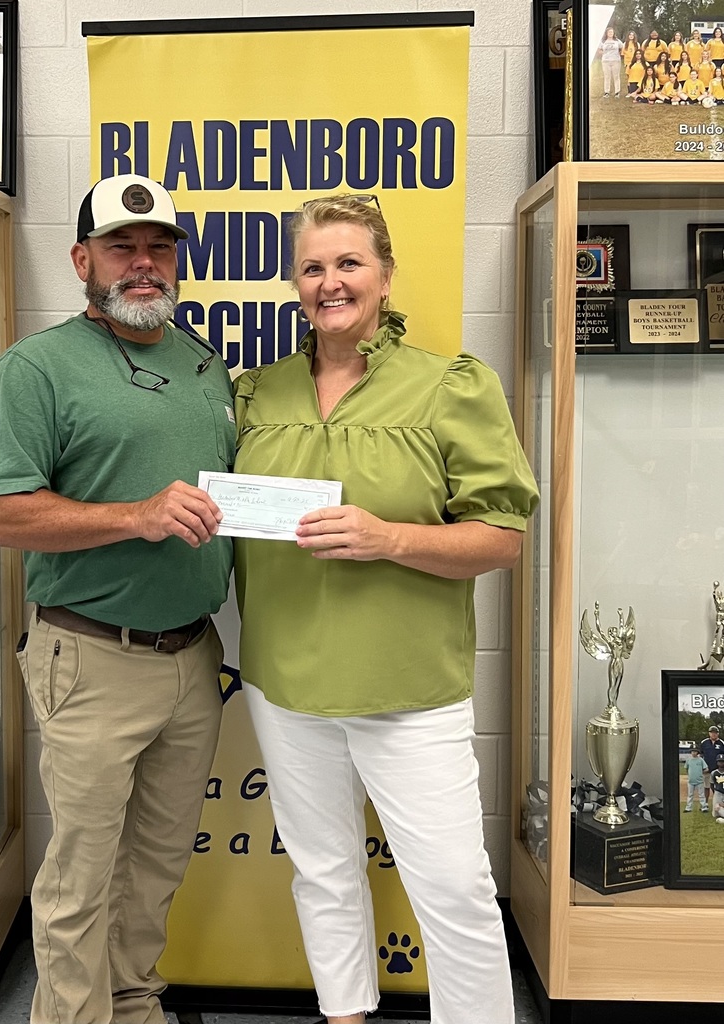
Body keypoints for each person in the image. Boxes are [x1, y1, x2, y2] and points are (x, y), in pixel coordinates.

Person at [233, 195, 539, 1024]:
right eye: (311, 267)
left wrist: (387, 538)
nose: (328, 283)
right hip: (283, 680)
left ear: (385, 274)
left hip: (409, 691)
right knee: (322, 870)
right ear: (293, 281)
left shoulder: (448, 386)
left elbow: (501, 539)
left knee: (452, 888)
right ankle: (345, 1015)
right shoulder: (255, 392)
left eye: (347, 264)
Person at [0, 174, 234, 1024]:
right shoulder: (35, 368)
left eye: (160, 247)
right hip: (89, 655)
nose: (144, 264)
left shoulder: (202, 361)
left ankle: (133, 1005)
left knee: (155, 864)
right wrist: (136, 515)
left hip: (191, 658)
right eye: (123, 246)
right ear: (83, 260)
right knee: (80, 876)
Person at [700, 725, 724, 805]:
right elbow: (701, 755)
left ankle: (717, 802)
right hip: (707, 769)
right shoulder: (704, 743)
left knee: (717, 787)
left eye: (715, 733)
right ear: (709, 733)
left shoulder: (721, 743)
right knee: (706, 786)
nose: (713, 734)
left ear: (718, 734)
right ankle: (705, 803)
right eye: (712, 732)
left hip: (718, 770)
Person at [598, 28, 624, 97]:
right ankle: (607, 92)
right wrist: (603, 53)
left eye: (612, 32)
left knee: (616, 76)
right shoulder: (603, 41)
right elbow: (599, 50)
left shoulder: (617, 41)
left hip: (616, 61)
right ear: (606, 33)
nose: (610, 33)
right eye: (609, 32)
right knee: (607, 76)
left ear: (613, 33)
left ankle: (617, 92)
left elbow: (622, 48)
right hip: (606, 61)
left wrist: (619, 53)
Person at [685, 746, 709, 811]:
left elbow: (706, 769)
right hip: (691, 781)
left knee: (701, 794)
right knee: (690, 795)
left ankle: (704, 807)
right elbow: (686, 769)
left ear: (697, 752)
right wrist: (690, 775)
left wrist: (700, 772)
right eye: (692, 751)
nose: (694, 753)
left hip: (699, 780)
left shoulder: (700, 760)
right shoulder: (688, 760)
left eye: (695, 751)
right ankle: (688, 808)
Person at [712, 754, 724, 823]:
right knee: (715, 813)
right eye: (719, 761)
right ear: (717, 762)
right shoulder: (714, 773)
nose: (721, 763)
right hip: (718, 793)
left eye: (722, 761)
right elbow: (712, 784)